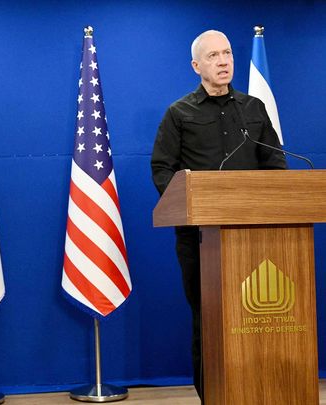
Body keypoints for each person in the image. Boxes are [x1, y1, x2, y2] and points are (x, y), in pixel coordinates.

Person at [150, 30, 286, 401]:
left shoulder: (253, 108)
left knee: (258, 319)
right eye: (213, 56)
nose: (224, 61)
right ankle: (212, 395)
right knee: (209, 322)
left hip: (256, 239)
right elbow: (163, 170)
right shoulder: (179, 113)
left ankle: (258, 390)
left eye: (227, 53)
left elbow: (275, 164)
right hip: (200, 240)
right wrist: (191, 207)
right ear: (197, 66)